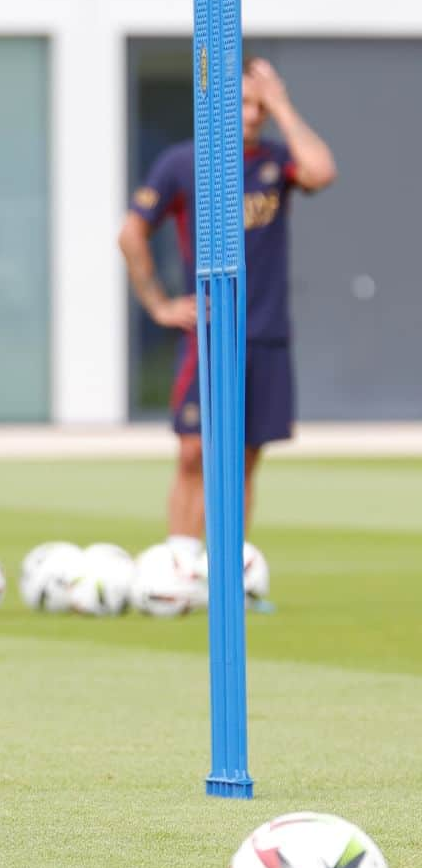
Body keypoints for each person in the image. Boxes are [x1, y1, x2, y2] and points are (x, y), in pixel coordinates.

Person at [118, 57, 337, 567]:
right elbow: (131, 234)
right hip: (212, 334)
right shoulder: (183, 162)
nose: (252, 114)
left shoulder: (276, 162)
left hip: (266, 332)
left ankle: (224, 568)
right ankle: (179, 566)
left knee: (243, 461)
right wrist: (158, 303)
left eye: (259, 104)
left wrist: (282, 103)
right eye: (242, 102)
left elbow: (322, 171)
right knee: (194, 452)